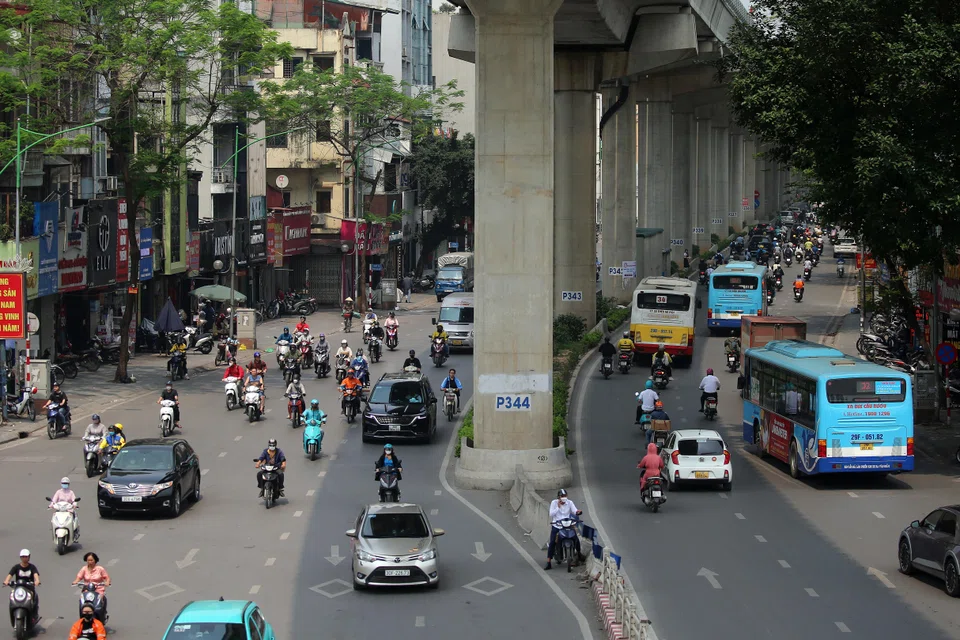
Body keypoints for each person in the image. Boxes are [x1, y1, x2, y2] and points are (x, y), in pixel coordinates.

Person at [544, 489, 582, 570]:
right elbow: (551, 514)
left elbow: (574, 510)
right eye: (562, 496)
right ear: (559, 497)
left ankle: (579, 554)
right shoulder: (554, 503)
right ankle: (548, 562)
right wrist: (558, 507)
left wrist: (578, 512)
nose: (564, 498)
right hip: (557, 525)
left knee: (575, 538)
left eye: (565, 496)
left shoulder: (570, 502)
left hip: (567, 524)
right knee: (552, 542)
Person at [5, 550, 40, 619]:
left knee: (35, 598)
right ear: (20, 558)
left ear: (29, 557)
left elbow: (36, 574)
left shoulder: (32, 567)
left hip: (29, 587)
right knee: (12, 596)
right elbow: (10, 574)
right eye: (23, 557)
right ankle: (13, 611)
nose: (24, 558)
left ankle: (34, 615)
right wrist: (6, 581)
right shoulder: (16, 567)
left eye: (26, 557)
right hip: (18, 588)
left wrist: (37, 581)